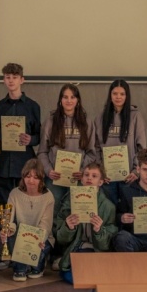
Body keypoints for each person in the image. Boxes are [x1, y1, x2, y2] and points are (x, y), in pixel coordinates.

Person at [56, 161, 117, 282]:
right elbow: (61, 239)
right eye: (86, 175)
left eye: (94, 176)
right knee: (71, 276)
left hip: (97, 251)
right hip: (77, 248)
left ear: (101, 182)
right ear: (82, 179)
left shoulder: (108, 207)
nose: (89, 178)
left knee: (99, 276)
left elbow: (106, 245)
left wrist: (99, 230)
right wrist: (68, 227)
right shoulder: (69, 202)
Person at [0, 63, 41, 204]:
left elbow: (39, 136)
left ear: (22, 80)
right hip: (3, 165)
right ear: (4, 80)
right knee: (3, 205)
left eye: (15, 77)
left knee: (25, 204)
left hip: (25, 165)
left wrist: (31, 139)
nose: (11, 80)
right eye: (8, 77)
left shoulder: (33, 106)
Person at [38, 83, 94, 212]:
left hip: (78, 178)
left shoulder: (87, 122)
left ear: (78, 100)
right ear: (60, 100)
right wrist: (49, 170)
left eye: (72, 97)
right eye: (65, 97)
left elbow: (92, 153)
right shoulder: (50, 121)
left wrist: (83, 170)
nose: (69, 100)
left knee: (78, 213)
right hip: (55, 179)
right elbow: (42, 152)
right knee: (52, 212)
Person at [93, 79, 147, 205]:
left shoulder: (135, 116)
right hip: (107, 178)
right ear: (110, 95)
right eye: (115, 93)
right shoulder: (100, 117)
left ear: (127, 96)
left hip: (129, 177)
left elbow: (142, 148)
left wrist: (136, 171)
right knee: (110, 210)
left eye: (122, 94)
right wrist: (101, 171)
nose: (118, 97)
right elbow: (96, 147)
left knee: (127, 211)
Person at [1, 159, 55, 281]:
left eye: (36, 177)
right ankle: (20, 268)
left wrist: (39, 238)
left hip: (41, 238)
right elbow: (9, 218)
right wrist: (7, 230)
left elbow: (46, 224)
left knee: (35, 267)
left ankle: (39, 264)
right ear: (23, 176)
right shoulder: (14, 193)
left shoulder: (48, 196)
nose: (31, 181)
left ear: (41, 178)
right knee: (20, 270)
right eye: (28, 176)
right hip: (20, 237)